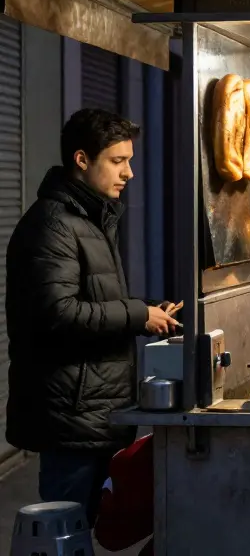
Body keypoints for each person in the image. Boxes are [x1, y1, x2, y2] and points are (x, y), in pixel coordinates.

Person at [5, 109, 180, 523]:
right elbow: (58, 313)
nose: (129, 173)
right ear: (82, 160)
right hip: (71, 418)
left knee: (82, 532)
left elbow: (94, 299)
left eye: (129, 161)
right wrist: (138, 316)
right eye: (118, 162)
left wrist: (148, 309)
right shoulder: (54, 225)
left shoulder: (90, 218)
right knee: (65, 533)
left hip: (95, 413)